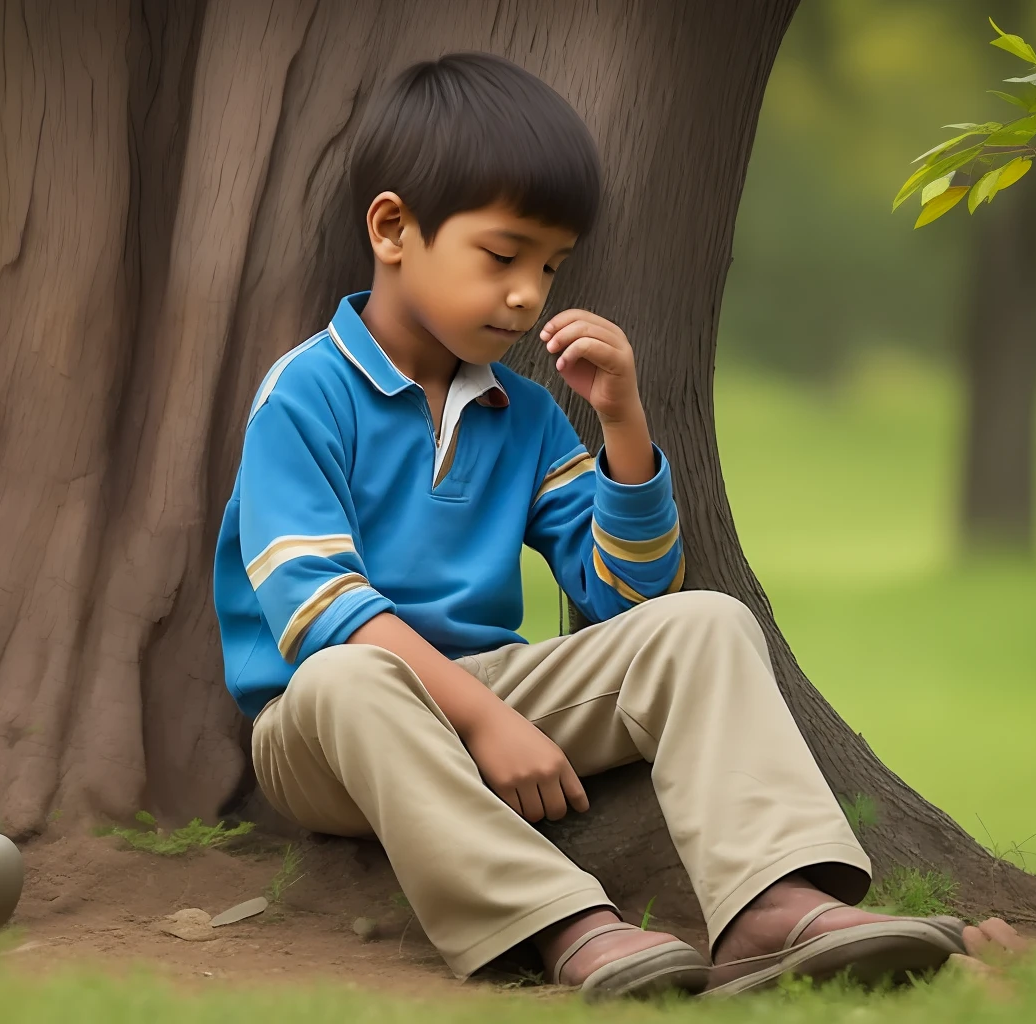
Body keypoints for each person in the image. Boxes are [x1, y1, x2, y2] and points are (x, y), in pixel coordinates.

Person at [212, 52, 967, 1001]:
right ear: (394, 229)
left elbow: (624, 595)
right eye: (502, 256)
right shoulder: (307, 393)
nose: (529, 294)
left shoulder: (523, 417)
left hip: (493, 692)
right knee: (345, 676)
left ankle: (772, 900)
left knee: (707, 624)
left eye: (549, 266)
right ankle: (564, 921)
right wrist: (484, 722)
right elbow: (319, 609)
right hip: (328, 728)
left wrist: (622, 422)